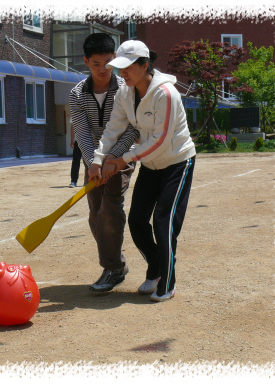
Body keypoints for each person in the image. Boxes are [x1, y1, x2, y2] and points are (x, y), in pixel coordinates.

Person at [90, 40, 196, 302]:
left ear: (144, 65)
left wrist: (121, 160)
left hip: (177, 163)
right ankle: (157, 268)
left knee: (163, 222)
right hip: (150, 164)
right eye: (119, 67)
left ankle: (167, 283)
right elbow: (113, 129)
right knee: (137, 221)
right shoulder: (124, 94)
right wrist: (99, 158)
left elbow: (160, 140)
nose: (121, 73)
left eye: (127, 67)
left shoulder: (166, 94)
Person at [69, 33, 140, 292]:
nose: (102, 69)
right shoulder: (77, 94)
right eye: (96, 63)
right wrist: (94, 163)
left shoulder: (126, 89)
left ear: (116, 60)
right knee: (96, 213)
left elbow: (133, 129)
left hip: (121, 156)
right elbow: (83, 132)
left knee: (110, 208)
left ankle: (112, 269)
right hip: (94, 161)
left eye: (108, 62)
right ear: (86, 61)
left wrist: (113, 160)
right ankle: (116, 263)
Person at [68, 121, 83, 188]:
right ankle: (73, 181)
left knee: (89, 160)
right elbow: (73, 127)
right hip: (78, 140)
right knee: (76, 160)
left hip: (90, 139)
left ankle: (87, 180)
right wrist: (72, 140)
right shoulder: (76, 111)